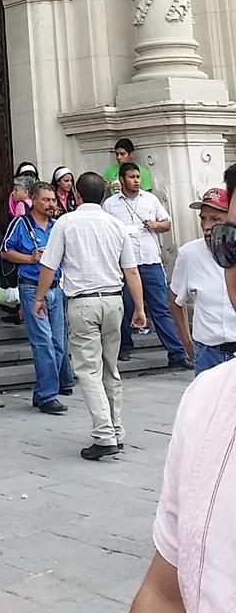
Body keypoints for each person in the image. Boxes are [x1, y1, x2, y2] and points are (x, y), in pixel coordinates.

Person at [129, 164, 236, 613]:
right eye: (232, 242)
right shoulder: (205, 403)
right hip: (213, 355)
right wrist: (186, 343)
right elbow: (163, 590)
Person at [34, 171, 147, 460]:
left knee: (88, 369)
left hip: (83, 302)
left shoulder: (66, 223)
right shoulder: (116, 224)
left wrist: (39, 298)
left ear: (78, 195)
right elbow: (131, 270)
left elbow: (49, 265)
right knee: (111, 368)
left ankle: (104, 434)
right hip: (113, 301)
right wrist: (140, 307)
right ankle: (116, 429)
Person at [103, 162, 191, 369]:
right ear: (122, 180)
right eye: (131, 177)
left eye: (137, 177)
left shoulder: (150, 199)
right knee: (124, 305)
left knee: (160, 307)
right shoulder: (110, 204)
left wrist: (155, 225)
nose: (136, 180)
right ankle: (124, 346)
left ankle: (176, 353)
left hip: (150, 260)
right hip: (124, 263)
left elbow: (167, 223)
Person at [1, 182, 69, 415]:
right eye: (46, 200)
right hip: (31, 287)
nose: (51, 204)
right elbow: (5, 251)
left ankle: (43, 391)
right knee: (43, 342)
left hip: (56, 288)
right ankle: (49, 395)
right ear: (33, 200)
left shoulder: (58, 226)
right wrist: (30, 259)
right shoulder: (20, 223)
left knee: (58, 343)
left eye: (53, 200)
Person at [168, 186, 236, 375]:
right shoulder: (189, 255)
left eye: (215, 219)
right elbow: (175, 299)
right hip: (208, 354)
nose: (207, 226)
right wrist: (187, 343)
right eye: (203, 218)